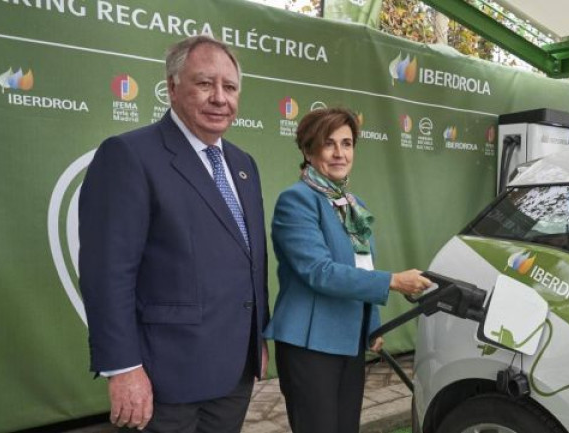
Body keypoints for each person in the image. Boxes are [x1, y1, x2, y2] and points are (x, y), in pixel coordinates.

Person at [78, 35, 268, 432]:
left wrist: (257, 340)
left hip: (234, 372)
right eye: (205, 83)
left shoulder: (243, 164)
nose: (220, 97)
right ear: (172, 87)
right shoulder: (129, 156)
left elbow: (251, 260)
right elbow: (108, 272)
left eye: (230, 87)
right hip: (166, 379)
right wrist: (123, 369)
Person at [264, 107, 431, 433]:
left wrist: (372, 325)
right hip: (310, 345)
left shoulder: (355, 204)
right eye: (329, 144)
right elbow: (319, 272)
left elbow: (362, 265)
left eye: (347, 143)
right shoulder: (296, 200)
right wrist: (395, 281)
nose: (340, 153)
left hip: (349, 340)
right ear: (308, 151)